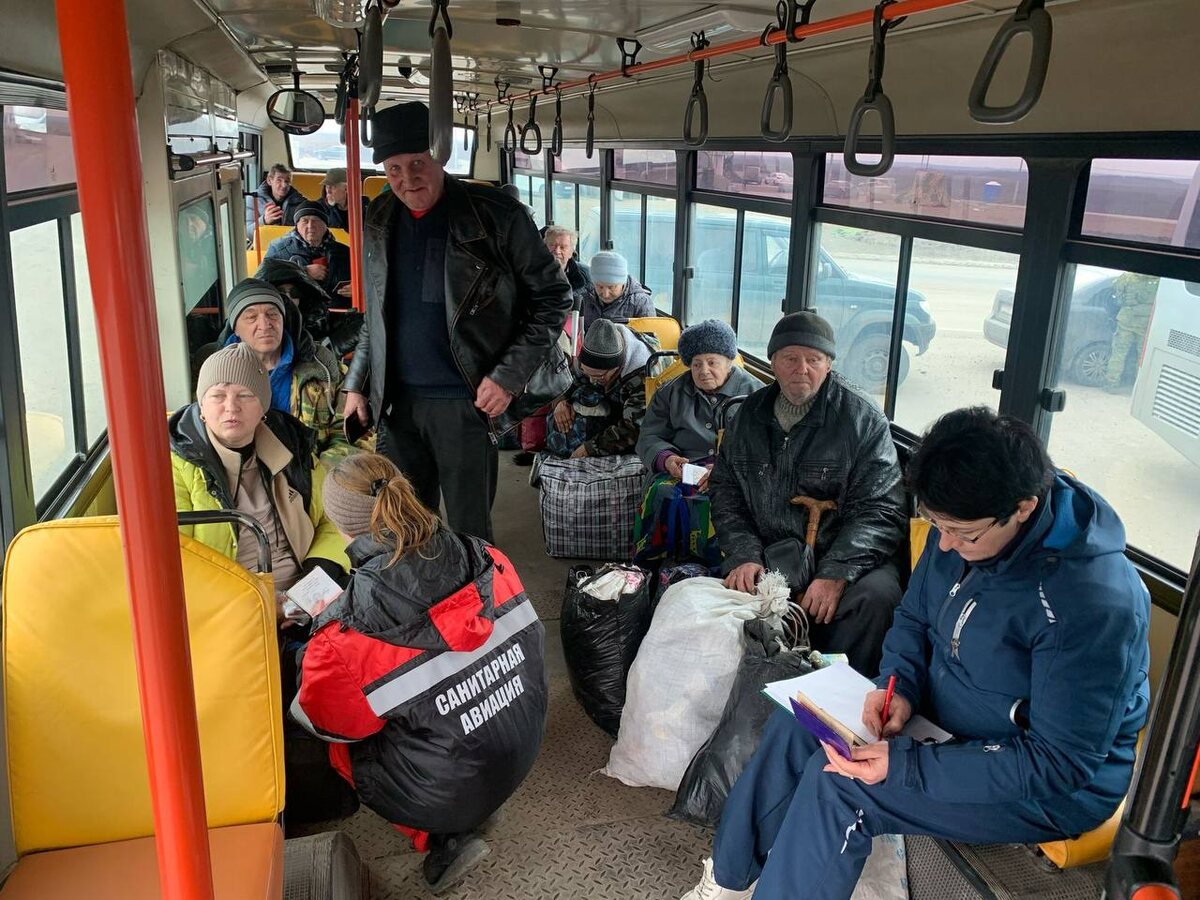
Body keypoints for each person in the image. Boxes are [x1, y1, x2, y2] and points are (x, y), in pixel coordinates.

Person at [681, 406, 1150, 900]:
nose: (942, 545)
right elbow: (914, 617)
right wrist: (898, 685)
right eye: (934, 523)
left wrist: (907, 767)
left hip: (1038, 777)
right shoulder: (962, 528)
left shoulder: (1091, 604)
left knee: (842, 785)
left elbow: (1059, 763)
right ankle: (728, 879)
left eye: (962, 533)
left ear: (1023, 508)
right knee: (799, 722)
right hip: (943, 716)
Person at [291, 452, 548, 894]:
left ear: (339, 525)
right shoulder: (484, 554)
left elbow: (329, 723)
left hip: (444, 793)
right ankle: (480, 802)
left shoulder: (345, 633)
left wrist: (314, 644)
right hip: (522, 744)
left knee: (338, 747)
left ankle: (442, 838)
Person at [342, 101, 571, 542]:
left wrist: (508, 376)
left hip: (466, 401)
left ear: (439, 157)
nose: (407, 179)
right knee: (405, 529)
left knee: (469, 533)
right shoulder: (379, 217)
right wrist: (357, 383)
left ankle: (474, 589)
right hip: (396, 403)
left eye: (417, 163)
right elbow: (377, 316)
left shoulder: (497, 216)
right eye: (394, 169)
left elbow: (553, 298)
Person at [708, 311, 905, 676]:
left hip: (842, 554)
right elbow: (726, 490)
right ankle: (760, 686)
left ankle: (839, 693)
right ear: (772, 363)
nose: (802, 369)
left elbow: (882, 509)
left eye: (814, 360)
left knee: (878, 597)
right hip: (768, 553)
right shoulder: (749, 415)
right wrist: (744, 553)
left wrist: (836, 572)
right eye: (790, 358)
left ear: (828, 365)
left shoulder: (862, 420)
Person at [169, 342, 348, 599]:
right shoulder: (175, 466)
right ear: (201, 408)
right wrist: (259, 603)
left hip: (305, 594)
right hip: (226, 604)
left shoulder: (292, 446)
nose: (231, 407)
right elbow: (177, 560)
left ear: (263, 407)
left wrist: (318, 574)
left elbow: (332, 517)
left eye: (245, 395)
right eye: (218, 395)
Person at [209, 278, 352, 463]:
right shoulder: (213, 375)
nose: (265, 324)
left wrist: (321, 472)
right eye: (251, 317)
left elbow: (352, 433)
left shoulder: (322, 366)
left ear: (283, 319)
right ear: (235, 328)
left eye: (272, 314)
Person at [637, 319, 763, 485]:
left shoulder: (758, 395)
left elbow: (767, 447)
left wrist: (728, 470)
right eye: (697, 365)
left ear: (729, 362)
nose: (704, 371)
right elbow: (649, 436)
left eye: (712, 363)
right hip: (681, 474)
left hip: (738, 476)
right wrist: (666, 459)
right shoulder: (669, 392)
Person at [547, 319, 650, 459]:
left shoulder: (643, 378)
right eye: (587, 373)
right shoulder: (594, 348)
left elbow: (634, 428)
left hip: (634, 426)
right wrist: (560, 401)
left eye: (598, 376)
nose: (592, 380)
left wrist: (592, 448)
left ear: (616, 368)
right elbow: (567, 379)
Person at [254, 258, 363, 357]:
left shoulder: (313, 318)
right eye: (280, 293)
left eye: (295, 292)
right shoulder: (256, 327)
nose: (288, 297)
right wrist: (332, 347)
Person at [264, 201, 353, 301]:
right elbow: (263, 279)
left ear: (325, 225)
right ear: (297, 225)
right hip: (296, 309)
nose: (310, 226)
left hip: (337, 308)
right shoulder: (278, 248)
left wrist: (357, 289)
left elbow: (362, 279)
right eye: (305, 221)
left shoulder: (345, 252)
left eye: (316, 220)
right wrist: (303, 271)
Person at [1104, 272, 1158, 394]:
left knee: (1118, 353)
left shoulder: (1128, 277)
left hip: (1126, 320)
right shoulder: (1159, 280)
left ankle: (1111, 384)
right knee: (1142, 357)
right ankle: (1138, 387)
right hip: (1145, 322)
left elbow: (1115, 287)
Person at [581, 250, 655, 329]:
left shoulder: (641, 303)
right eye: (600, 287)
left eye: (611, 287)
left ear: (623, 282)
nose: (605, 294)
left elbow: (650, 335)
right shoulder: (585, 297)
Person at [316, 167, 370, 231]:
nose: (328, 191)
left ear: (346, 189)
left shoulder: (364, 206)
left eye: (333, 187)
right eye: (327, 186)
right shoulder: (319, 207)